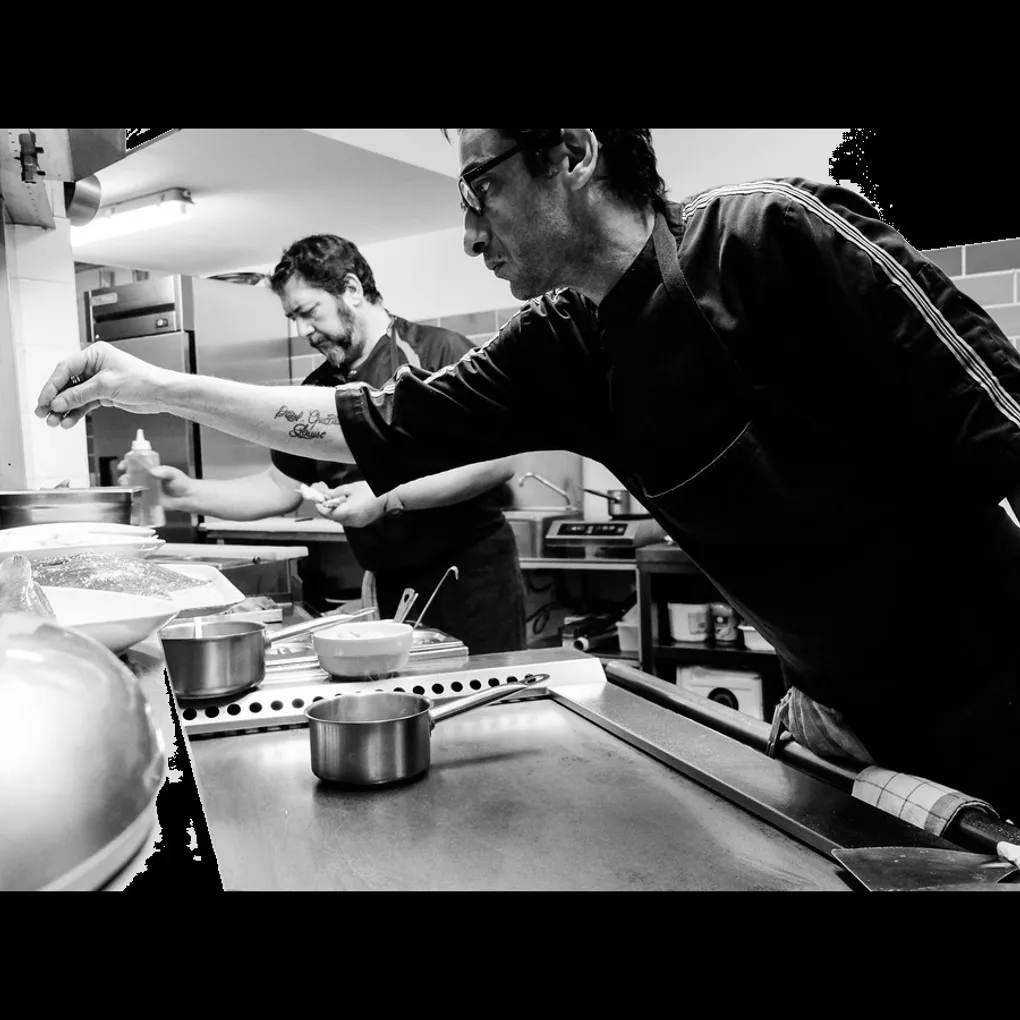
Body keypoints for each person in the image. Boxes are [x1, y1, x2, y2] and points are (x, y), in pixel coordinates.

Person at [37, 128, 1020, 820]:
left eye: (481, 188)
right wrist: (149, 383)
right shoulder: (567, 345)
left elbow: (1007, 425)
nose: (470, 234)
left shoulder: (777, 237)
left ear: (574, 153)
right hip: (838, 721)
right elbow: (376, 424)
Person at [119, 233, 527, 655]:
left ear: (351, 289)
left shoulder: (438, 353)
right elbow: (279, 487)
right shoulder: (316, 390)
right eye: (292, 317)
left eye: (309, 312)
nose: (303, 331)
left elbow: (498, 461)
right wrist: (184, 493)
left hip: (471, 581)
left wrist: (387, 498)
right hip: (390, 586)